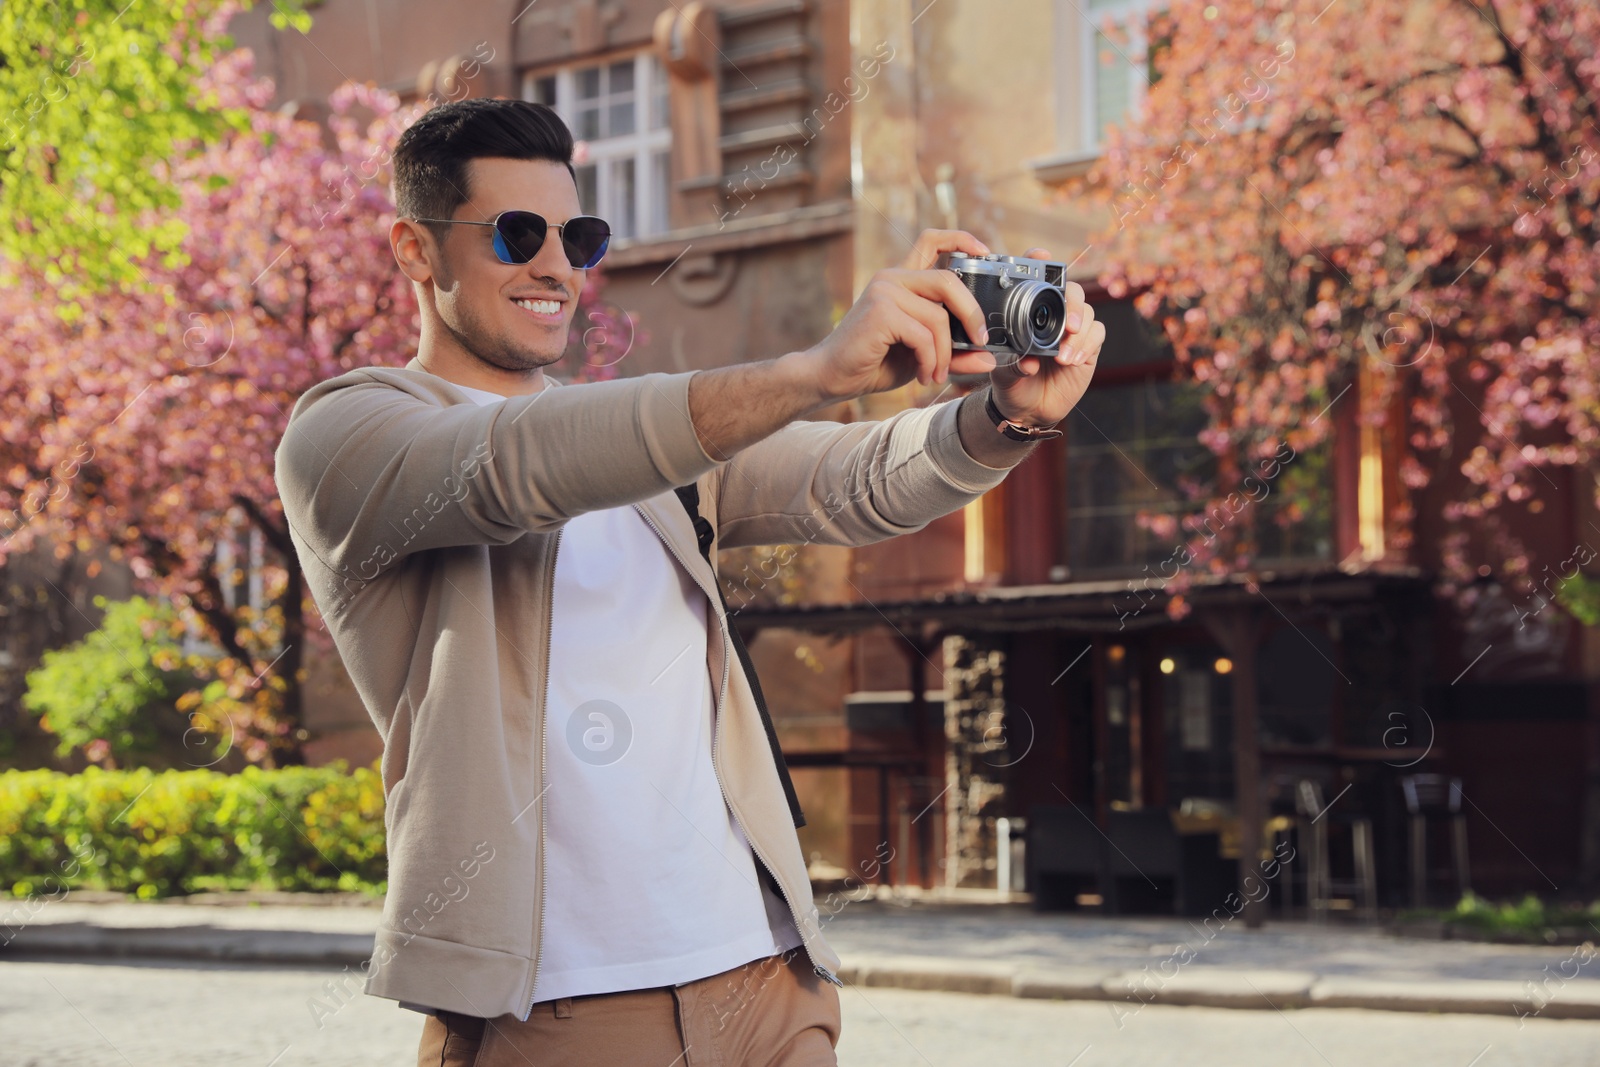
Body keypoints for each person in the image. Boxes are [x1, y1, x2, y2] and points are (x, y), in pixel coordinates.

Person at [274, 97, 1102, 1067]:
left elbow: (860, 478)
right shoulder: (347, 434)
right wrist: (813, 369)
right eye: (516, 234)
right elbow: (512, 466)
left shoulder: (653, 451)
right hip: (558, 1008)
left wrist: (1008, 417)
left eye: (577, 236)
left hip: (766, 981)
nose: (556, 266)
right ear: (416, 251)